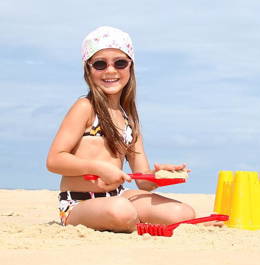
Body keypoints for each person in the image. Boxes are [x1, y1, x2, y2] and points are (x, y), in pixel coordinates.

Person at [46, 26, 196, 233]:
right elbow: (55, 160)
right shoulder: (85, 107)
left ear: (130, 67)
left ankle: (133, 221)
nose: (110, 70)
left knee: (183, 213)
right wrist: (97, 168)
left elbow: (143, 182)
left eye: (120, 63)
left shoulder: (129, 119)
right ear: (88, 70)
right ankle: (136, 222)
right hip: (79, 204)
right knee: (121, 211)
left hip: (118, 197)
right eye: (99, 64)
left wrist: (158, 176)